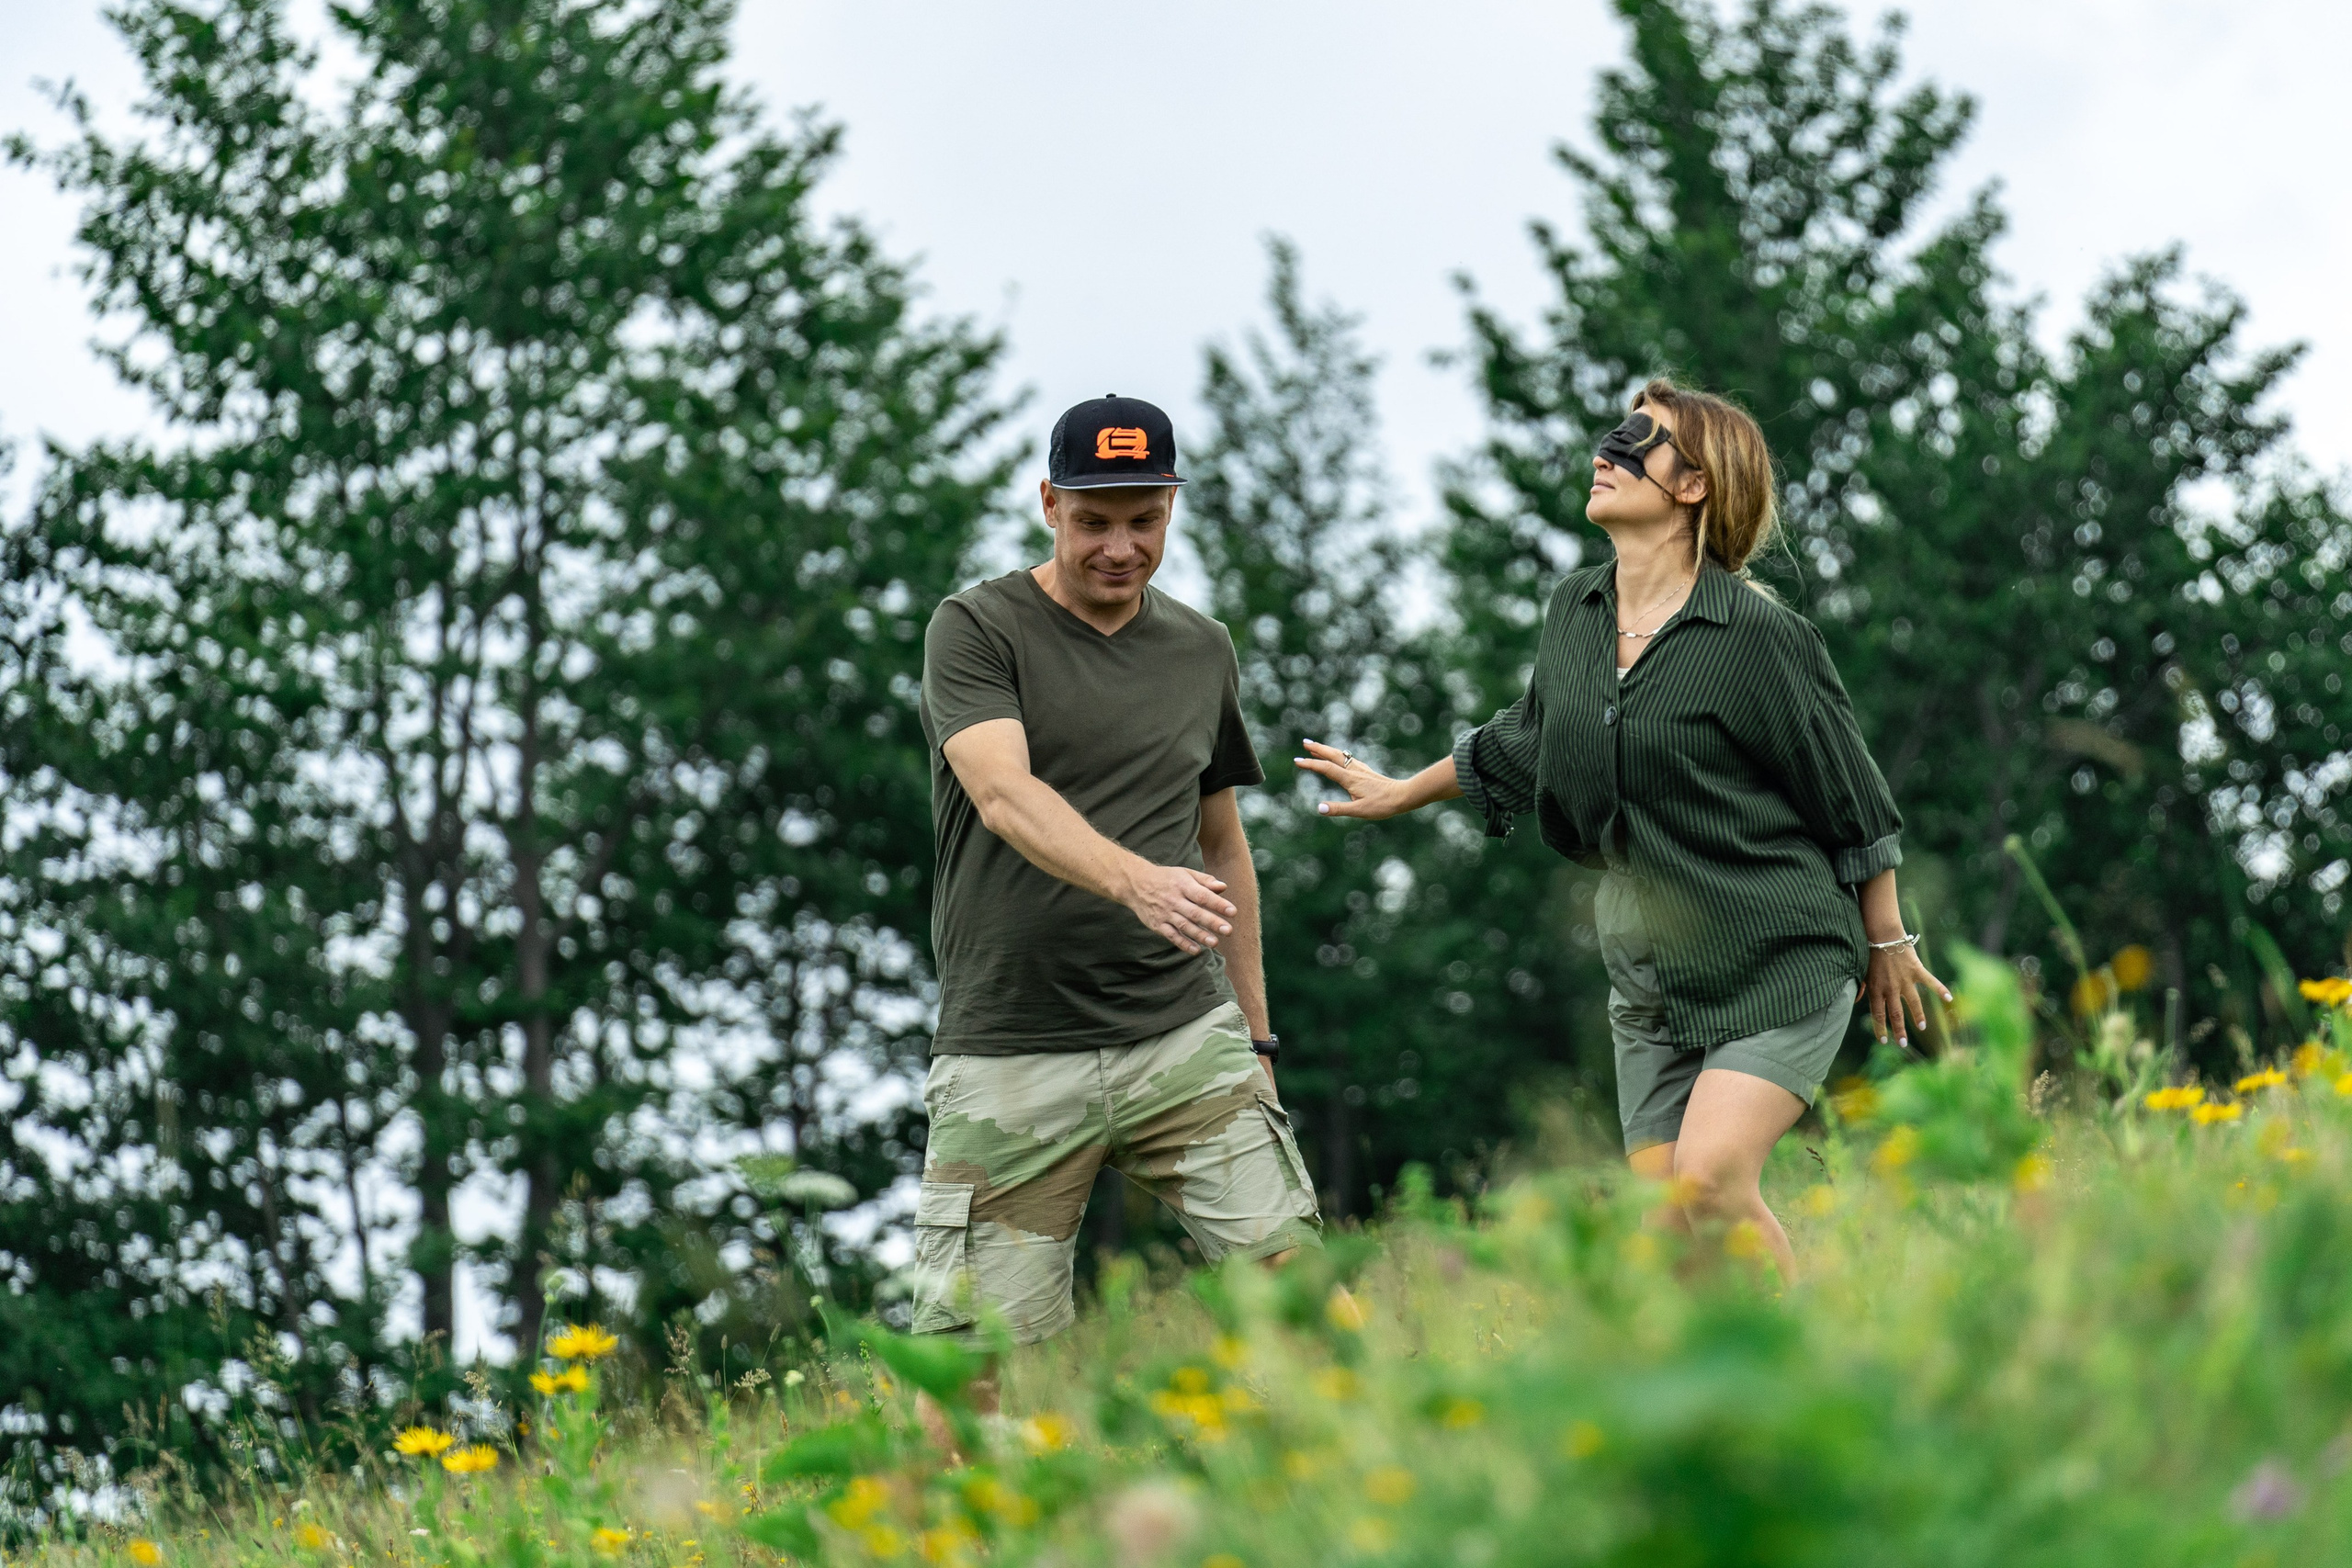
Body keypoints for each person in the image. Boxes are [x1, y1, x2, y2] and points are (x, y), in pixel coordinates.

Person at [1299, 378, 1943, 1283]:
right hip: (1646, 976)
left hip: (1777, 957)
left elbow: (1852, 797)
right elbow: (1529, 735)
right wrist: (1403, 791)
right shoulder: (1577, 611)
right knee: (1671, 1228)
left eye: (1638, 440)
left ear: (1694, 486)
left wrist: (1886, 938)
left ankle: (1810, 1374)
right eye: (1612, 433)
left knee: (1711, 1185)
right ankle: (1724, 1404)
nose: (1606, 451)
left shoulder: (1756, 634)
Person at [910, 394, 1321, 1392]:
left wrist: (1257, 1040)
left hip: (1182, 1040)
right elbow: (1003, 794)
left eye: (1144, 519)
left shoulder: (1200, 650)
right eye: (1094, 520)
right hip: (1009, 1055)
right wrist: (1133, 878)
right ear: (1048, 504)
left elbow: (1223, 849)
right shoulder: (975, 629)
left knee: (1304, 1290)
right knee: (971, 1373)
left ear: (1172, 510)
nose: (1120, 547)